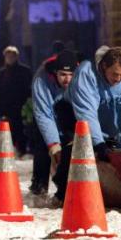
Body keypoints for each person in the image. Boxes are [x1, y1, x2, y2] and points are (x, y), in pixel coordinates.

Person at [32, 50, 78, 201]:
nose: (67, 79)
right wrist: (53, 144)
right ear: (54, 73)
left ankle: (64, 189)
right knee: (43, 144)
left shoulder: (81, 80)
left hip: (67, 112)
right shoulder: (41, 79)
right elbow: (44, 114)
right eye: (63, 75)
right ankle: (39, 186)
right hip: (47, 112)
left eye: (71, 75)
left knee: (70, 147)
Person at [67, 46, 121, 159]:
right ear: (104, 66)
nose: (118, 79)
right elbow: (86, 112)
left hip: (110, 131)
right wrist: (99, 144)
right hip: (75, 120)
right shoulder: (86, 73)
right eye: (115, 74)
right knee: (73, 156)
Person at [0, 46, 32, 156]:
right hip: (7, 107)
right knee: (7, 131)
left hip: (21, 106)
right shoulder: (2, 72)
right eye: (7, 56)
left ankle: (22, 150)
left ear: (16, 57)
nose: (9, 58)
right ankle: (10, 152)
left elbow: (28, 89)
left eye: (12, 56)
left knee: (20, 130)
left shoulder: (24, 71)